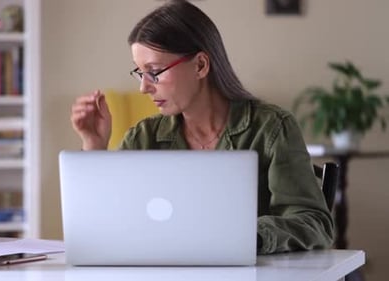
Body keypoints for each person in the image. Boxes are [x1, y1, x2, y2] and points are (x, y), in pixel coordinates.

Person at [70, 0, 334, 254]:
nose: (144, 87)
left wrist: (242, 236)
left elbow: (314, 223)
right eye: (140, 72)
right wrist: (94, 146)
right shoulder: (143, 137)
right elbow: (101, 226)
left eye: (155, 71)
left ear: (200, 65)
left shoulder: (272, 128)